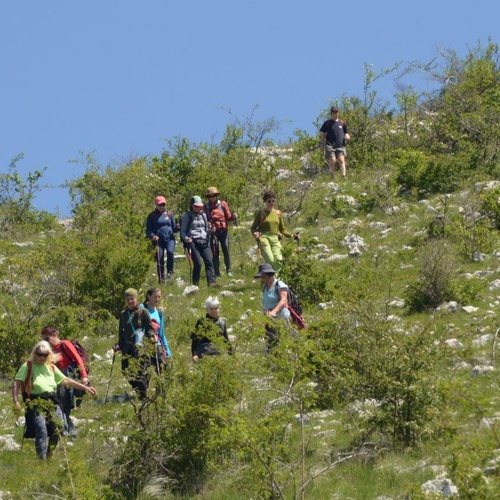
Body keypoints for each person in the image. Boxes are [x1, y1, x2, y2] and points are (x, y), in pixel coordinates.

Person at [12, 340, 97, 460]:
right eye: (39, 354)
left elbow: (66, 381)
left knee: (58, 428)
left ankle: (50, 454)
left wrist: (86, 388)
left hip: (52, 400)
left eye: (45, 354)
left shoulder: (51, 367)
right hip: (35, 401)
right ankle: (42, 460)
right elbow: (16, 383)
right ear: (35, 353)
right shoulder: (28, 366)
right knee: (41, 430)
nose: (42, 357)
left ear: (49, 355)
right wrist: (16, 402)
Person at [40, 326, 89, 436]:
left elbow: (78, 359)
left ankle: (67, 431)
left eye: (47, 339)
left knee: (63, 405)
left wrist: (84, 376)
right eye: (43, 339)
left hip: (67, 378)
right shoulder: (49, 350)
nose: (45, 342)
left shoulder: (65, 344)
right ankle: (68, 431)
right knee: (59, 404)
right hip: (56, 380)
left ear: (55, 335)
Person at [115, 288, 157, 399]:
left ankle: (142, 396)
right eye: (128, 299)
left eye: (132, 299)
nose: (130, 301)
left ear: (136, 299)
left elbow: (150, 328)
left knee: (141, 372)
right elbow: (121, 333)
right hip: (127, 348)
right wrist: (118, 345)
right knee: (125, 371)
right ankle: (139, 390)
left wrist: (152, 337)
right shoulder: (123, 314)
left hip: (141, 347)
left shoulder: (143, 312)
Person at [250, 189, 291, 275]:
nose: (271, 203)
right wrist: (255, 234)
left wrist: (292, 235)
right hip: (264, 238)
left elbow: (282, 230)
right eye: (269, 201)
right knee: (270, 260)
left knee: (279, 259)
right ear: (265, 201)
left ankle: (274, 279)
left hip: (275, 238)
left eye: (273, 201)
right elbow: (253, 228)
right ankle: (270, 279)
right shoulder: (261, 213)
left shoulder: (278, 213)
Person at [180, 196, 217, 287]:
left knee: (209, 261)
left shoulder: (203, 215)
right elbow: (182, 232)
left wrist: (211, 230)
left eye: (199, 206)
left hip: (204, 241)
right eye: (196, 206)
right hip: (193, 241)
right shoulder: (187, 216)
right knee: (198, 264)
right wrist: (186, 239)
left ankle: (212, 282)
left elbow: (206, 229)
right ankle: (195, 285)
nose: (198, 208)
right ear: (192, 205)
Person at [254, 263, 291, 352]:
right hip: (269, 318)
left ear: (269, 275)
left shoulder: (279, 284)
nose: (262, 279)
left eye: (264, 276)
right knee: (271, 341)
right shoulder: (265, 287)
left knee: (283, 339)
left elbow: (283, 300)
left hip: (281, 316)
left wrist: (274, 311)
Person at [204, 186, 238, 278]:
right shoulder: (206, 207)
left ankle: (229, 271)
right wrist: (209, 224)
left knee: (226, 249)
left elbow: (228, 217)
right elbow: (205, 220)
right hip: (213, 232)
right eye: (210, 196)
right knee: (215, 252)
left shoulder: (223, 204)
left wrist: (234, 216)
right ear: (208, 197)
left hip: (224, 230)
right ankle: (217, 273)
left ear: (216, 196)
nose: (212, 198)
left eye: (213, 196)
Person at [146, 195, 179, 283]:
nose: (161, 207)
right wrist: (152, 236)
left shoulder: (169, 214)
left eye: (163, 205)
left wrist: (178, 227)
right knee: (159, 257)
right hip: (158, 240)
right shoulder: (152, 216)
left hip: (170, 238)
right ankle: (161, 278)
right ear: (156, 205)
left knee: (170, 253)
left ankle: (170, 274)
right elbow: (148, 230)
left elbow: (173, 227)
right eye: (159, 205)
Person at [191, 296, 233, 361]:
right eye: (211, 309)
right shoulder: (201, 322)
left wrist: (232, 357)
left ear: (218, 309)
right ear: (207, 309)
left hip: (218, 353)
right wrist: (194, 354)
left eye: (216, 308)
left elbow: (226, 340)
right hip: (204, 353)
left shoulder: (222, 323)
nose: (214, 311)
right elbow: (195, 340)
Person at [142, 287, 172, 372]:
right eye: (155, 296)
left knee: (163, 369)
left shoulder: (159, 312)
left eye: (159, 297)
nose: (157, 299)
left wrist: (167, 351)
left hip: (157, 345)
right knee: (145, 371)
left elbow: (161, 333)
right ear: (148, 296)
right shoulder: (142, 309)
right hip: (144, 345)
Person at [319, 106, 351, 177]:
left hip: (340, 145)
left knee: (341, 159)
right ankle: (331, 175)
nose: (335, 115)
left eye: (336, 113)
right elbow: (322, 134)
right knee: (332, 160)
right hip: (330, 145)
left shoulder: (342, 123)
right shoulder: (327, 123)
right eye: (333, 113)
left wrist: (348, 136)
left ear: (338, 113)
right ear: (331, 114)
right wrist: (321, 144)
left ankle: (343, 176)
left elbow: (346, 133)